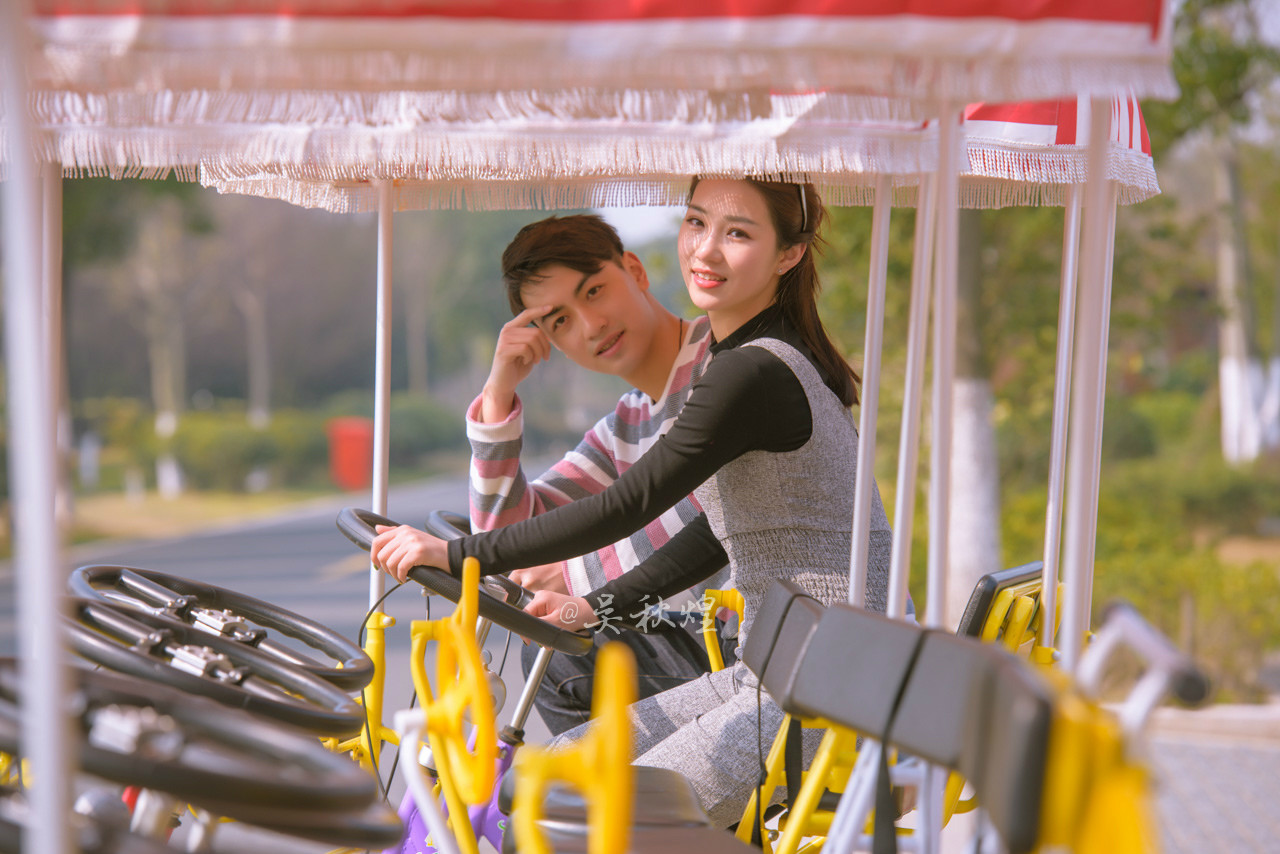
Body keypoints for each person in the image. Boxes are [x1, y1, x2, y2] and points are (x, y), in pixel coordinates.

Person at [372, 177, 892, 827]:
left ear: (788, 254)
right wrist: (589, 601)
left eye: (737, 233)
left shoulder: (749, 370)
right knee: (544, 771)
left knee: (586, 814)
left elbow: (633, 503)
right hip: (767, 670)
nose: (706, 251)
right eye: (696, 223)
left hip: (823, 684)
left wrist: (454, 555)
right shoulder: (732, 370)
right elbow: (712, 535)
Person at [466, 213, 733, 736]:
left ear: (634, 270)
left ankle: (654, 813)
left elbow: (709, 511)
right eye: (559, 320)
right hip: (714, 648)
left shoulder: (724, 370)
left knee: (565, 663)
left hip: (779, 651)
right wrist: (498, 397)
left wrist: (574, 577)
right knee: (559, 650)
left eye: (594, 291)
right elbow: (511, 542)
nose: (590, 325)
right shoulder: (627, 424)